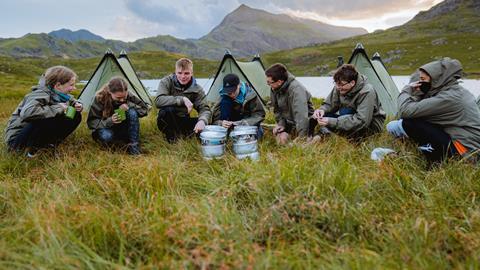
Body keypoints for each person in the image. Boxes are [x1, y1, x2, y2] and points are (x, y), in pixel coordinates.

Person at [387, 58, 480, 164]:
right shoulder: (454, 91)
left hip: (466, 153)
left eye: (422, 79)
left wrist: (406, 90)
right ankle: (424, 153)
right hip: (467, 146)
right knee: (408, 123)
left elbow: (406, 111)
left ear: (436, 80)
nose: (420, 83)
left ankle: (435, 162)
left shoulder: (449, 97)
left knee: (410, 123)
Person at [4, 66, 82, 157]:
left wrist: (76, 104)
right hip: (17, 140)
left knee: (75, 115)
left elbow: (71, 99)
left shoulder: (59, 93)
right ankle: (28, 152)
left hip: (32, 133)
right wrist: (57, 108)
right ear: (58, 85)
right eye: (71, 85)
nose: (74, 88)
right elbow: (27, 113)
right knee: (47, 118)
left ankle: (48, 145)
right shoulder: (40, 93)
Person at [312, 64, 385, 139]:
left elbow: (362, 121)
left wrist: (332, 122)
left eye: (341, 85)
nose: (338, 87)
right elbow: (329, 104)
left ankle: (329, 135)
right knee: (319, 117)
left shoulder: (367, 91)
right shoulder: (339, 86)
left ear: (352, 83)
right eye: (336, 84)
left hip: (370, 128)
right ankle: (324, 135)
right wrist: (322, 110)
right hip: (348, 118)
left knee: (341, 116)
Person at [87, 77, 148, 155]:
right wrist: (110, 121)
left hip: (122, 127)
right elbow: (91, 123)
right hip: (105, 129)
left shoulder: (128, 94)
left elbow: (145, 109)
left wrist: (129, 105)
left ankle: (133, 146)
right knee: (107, 136)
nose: (122, 100)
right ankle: (113, 146)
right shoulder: (99, 98)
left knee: (132, 112)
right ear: (109, 92)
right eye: (118, 98)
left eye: (124, 97)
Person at [155, 58, 211, 143]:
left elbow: (204, 109)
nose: (183, 76)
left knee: (208, 124)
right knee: (168, 110)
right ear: (175, 71)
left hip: (183, 119)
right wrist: (182, 99)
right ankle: (172, 139)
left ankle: (183, 135)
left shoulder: (197, 89)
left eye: (186, 73)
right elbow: (158, 100)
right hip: (165, 120)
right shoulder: (166, 81)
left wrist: (202, 121)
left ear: (192, 73)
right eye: (179, 73)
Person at [266, 63, 315, 145]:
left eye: (269, 82)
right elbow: (277, 110)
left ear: (279, 81)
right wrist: (281, 124)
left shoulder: (296, 90)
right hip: (290, 124)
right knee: (280, 139)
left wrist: (301, 138)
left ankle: (308, 139)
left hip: (306, 126)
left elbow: (301, 116)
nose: (269, 85)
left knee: (292, 143)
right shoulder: (274, 88)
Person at [211, 73, 265, 138]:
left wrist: (244, 123)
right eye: (229, 93)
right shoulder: (222, 98)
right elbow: (213, 120)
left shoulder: (250, 95)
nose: (232, 95)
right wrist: (221, 123)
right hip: (230, 126)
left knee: (258, 133)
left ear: (239, 85)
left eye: (234, 91)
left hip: (247, 124)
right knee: (225, 102)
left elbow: (259, 114)